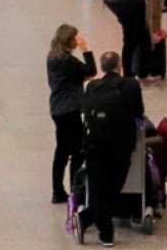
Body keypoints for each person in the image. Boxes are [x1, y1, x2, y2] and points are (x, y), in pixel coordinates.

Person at [80, 52, 145, 247]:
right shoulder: (131, 85)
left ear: (102, 68)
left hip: (94, 145)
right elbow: (138, 112)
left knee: (99, 187)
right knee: (114, 186)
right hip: (121, 145)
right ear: (119, 67)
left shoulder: (91, 86)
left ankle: (98, 227)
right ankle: (97, 226)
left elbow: (85, 111)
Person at [47, 24, 99, 205]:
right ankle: (75, 191)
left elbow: (67, 78)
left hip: (57, 108)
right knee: (77, 151)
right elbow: (91, 70)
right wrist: (86, 49)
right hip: (71, 110)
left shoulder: (52, 58)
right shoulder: (69, 61)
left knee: (61, 149)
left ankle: (57, 191)